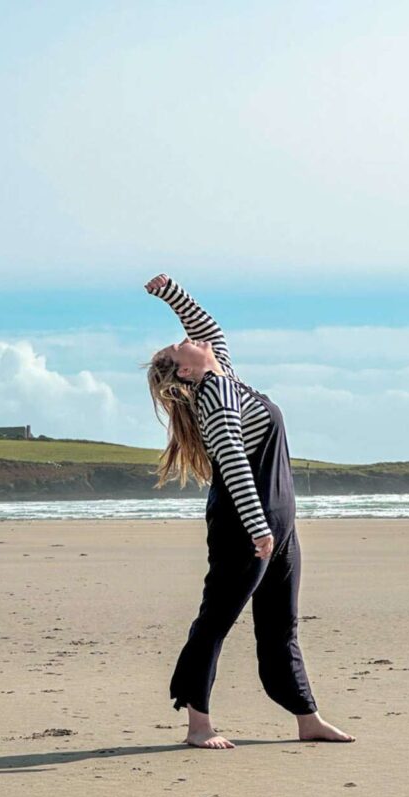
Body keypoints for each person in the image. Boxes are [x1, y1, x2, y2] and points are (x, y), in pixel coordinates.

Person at [142, 273, 355, 749]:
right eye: (179, 349)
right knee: (216, 620)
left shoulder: (226, 377)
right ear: (185, 372)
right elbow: (235, 465)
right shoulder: (215, 398)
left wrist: (168, 290)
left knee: (281, 625)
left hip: (279, 525)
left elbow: (206, 324)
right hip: (247, 526)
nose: (187, 340)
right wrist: (259, 530)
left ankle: (307, 717)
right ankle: (199, 724)